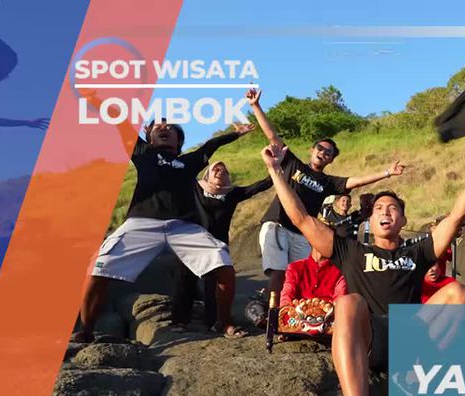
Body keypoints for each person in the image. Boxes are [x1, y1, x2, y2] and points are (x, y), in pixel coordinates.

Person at [262, 143, 465, 396]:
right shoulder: (350, 250)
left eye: (393, 208)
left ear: (403, 219)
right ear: (369, 216)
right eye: (379, 207)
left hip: (412, 338)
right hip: (368, 339)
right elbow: (300, 217)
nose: (385, 211)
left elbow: (456, 218)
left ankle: (416, 380)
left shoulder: (417, 252)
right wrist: (275, 172)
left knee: (460, 293)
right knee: (349, 301)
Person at [72, 110, 256, 343]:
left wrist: (235, 134)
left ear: (179, 140)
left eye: (170, 127)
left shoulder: (189, 161)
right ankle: (86, 329)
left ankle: (224, 321)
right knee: (97, 268)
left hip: (185, 226)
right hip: (141, 223)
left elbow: (212, 144)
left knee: (224, 265)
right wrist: (97, 100)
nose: (164, 128)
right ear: (148, 137)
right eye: (157, 126)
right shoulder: (142, 152)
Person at [247, 88, 407, 300]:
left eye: (328, 152)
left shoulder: (330, 182)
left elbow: (356, 181)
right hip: (277, 224)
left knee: (305, 272)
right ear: (312, 150)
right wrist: (256, 106)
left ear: (331, 160)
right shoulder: (293, 164)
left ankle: (296, 316)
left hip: (303, 232)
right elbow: (272, 137)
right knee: (278, 271)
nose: (323, 152)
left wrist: (387, 172)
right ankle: (272, 313)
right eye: (320, 148)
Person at [170, 161, 273, 333]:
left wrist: (278, 169)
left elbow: (259, 186)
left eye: (224, 171)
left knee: (215, 285)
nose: (220, 172)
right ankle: (179, 321)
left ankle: (215, 322)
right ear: (207, 175)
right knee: (185, 280)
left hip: (216, 246)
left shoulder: (232, 194)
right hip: (190, 241)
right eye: (216, 169)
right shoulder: (194, 188)